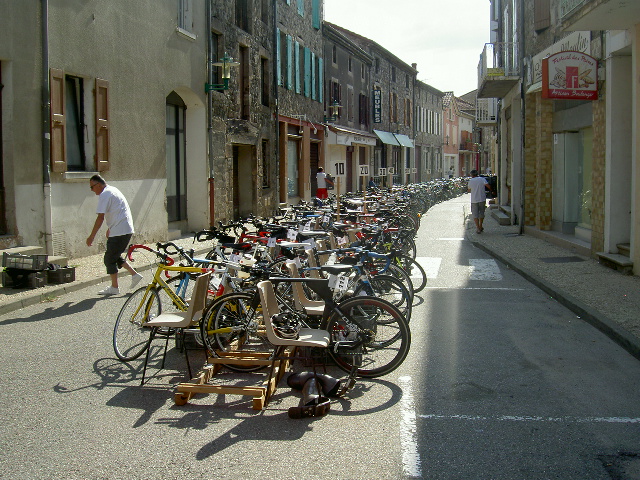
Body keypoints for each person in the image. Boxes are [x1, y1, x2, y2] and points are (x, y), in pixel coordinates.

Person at [86, 175, 143, 295]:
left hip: (120, 230)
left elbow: (100, 217)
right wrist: (110, 228)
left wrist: (92, 236)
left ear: (99, 185)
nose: (91, 190)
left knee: (109, 259)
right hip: (122, 229)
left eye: (92, 187)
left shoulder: (105, 194)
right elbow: (118, 210)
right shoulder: (113, 190)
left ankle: (114, 287)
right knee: (114, 255)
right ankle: (134, 275)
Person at [467, 169, 493, 234]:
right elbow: (488, 186)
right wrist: (492, 191)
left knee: (475, 214)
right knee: (481, 213)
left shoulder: (470, 181)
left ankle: (478, 228)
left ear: (471, 175)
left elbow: (469, 190)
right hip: (482, 198)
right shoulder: (482, 179)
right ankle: (481, 225)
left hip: (474, 200)